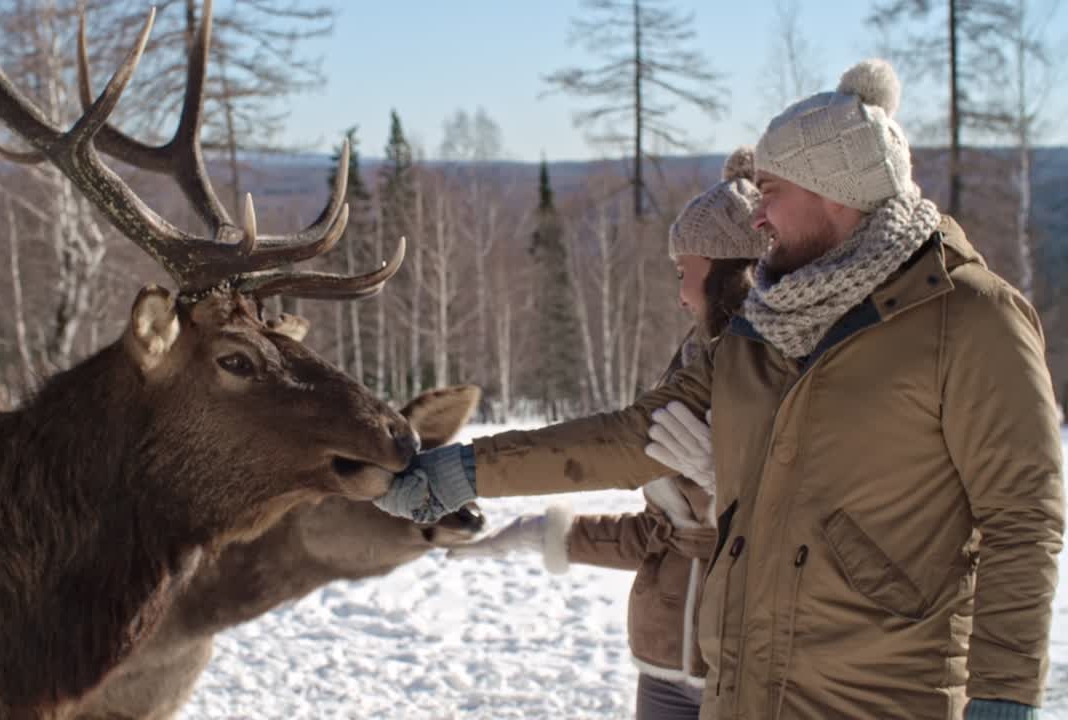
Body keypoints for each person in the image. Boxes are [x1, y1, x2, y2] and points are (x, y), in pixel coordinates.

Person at [375, 59, 1063, 720]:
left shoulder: (968, 317)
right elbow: (627, 438)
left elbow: (1023, 518)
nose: (758, 220)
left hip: (882, 699)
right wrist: (466, 470)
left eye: (771, 195)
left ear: (834, 192)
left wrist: (1005, 693)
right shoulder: (762, 327)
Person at [445, 148, 769, 720]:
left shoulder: (779, 366)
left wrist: (731, 489)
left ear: (724, 271)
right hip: (663, 666)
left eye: (683, 273)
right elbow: (659, 535)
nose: (679, 293)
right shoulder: (690, 362)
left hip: (744, 675)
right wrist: (546, 535)